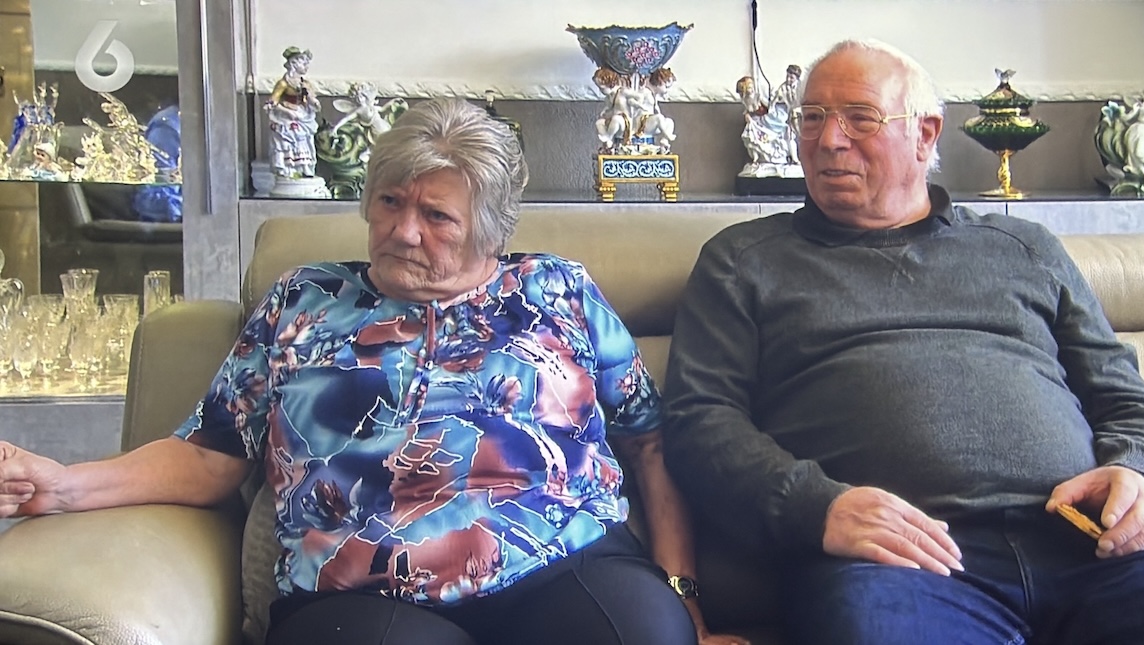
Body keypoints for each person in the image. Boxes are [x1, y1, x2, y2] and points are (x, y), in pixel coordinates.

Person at [0, 97, 746, 645]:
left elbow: (649, 439)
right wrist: (67, 483)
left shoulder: (556, 291)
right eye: (389, 202)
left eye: (436, 216)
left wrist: (683, 593)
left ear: (489, 232)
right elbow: (209, 454)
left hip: (565, 563)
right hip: (365, 587)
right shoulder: (306, 300)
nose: (402, 229)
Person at [662, 38, 1144, 645]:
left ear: (925, 133)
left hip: (1092, 547)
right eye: (812, 117)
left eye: (859, 118)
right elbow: (699, 420)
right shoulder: (743, 261)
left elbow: (1131, 401)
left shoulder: (1024, 248)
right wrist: (816, 507)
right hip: (898, 568)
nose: (828, 139)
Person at [265, 46, 321, 178]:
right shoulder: (284, 83)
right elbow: (272, 102)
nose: (306, 66)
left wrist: (314, 103)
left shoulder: (305, 83)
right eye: (303, 62)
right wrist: (286, 111)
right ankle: (287, 167)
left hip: (302, 115)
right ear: (293, 63)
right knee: (287, 142)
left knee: (303, 142)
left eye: (307, 63)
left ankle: (305, 167)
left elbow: (310, 99)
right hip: (287, 117)